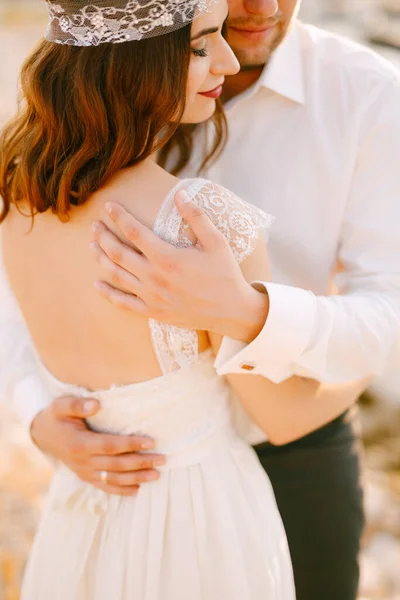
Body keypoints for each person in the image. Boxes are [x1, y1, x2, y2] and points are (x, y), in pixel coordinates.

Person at [0, 0, 369, 597]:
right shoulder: (202, 221)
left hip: (86, 505)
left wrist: (38, 418)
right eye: (200, 46)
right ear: (133, 62)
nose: (225, 58)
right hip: (200, 519)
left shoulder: (17, 192)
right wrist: (360, 346)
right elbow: (286, 415)